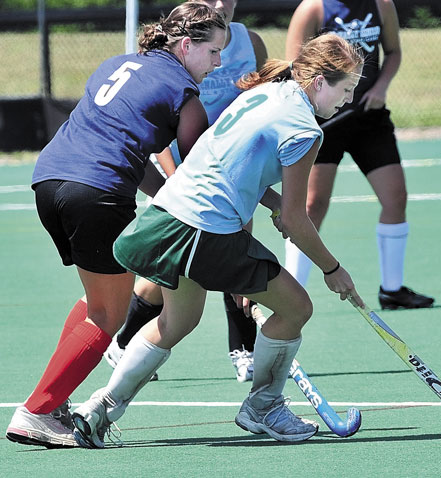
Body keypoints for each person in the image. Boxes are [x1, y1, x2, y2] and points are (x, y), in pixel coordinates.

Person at [70, 33, 364, 448]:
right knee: (296, 307)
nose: (349, 100)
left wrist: (272, 209)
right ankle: (263, 406)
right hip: (206, 229)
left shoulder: (265, 93)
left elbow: (237, 167)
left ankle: (98, 408)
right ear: (319, 81)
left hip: (168, 215)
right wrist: (333, 270)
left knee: (178, 321)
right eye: (346, 88)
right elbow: (298, 220)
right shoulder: (304, 130)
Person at [5, 3, 227, 449]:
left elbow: (128, 150)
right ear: (187, 46)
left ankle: (54, 401)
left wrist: (160, 194)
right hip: (97, 193)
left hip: (50, 180)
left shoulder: (119, 63)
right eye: (215, 51)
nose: (218, 62)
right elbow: (201, 169)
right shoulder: (186, 95)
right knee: (110, 315)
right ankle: (37, 412)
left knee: (96, 304)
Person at [104, 0, 268, 384]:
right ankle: (125, 341)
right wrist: (175, 175)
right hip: (181, 170)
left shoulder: (250, 41)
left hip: (231, 167)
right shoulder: (179, 36)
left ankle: (243, 349)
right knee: (170, 270)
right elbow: (157, 111)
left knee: (236, 246)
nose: (221, 3)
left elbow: (258, 100)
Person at [284, 0, 435, 310]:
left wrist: (380, 88)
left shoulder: (382, 5)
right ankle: (292, 290)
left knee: (395, 198)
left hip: (369, 117)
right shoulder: (313, 8)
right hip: (325, 121)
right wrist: (314, 111)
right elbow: (293, 68)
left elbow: (393, 52)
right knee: (313, 204)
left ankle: (392, 290)